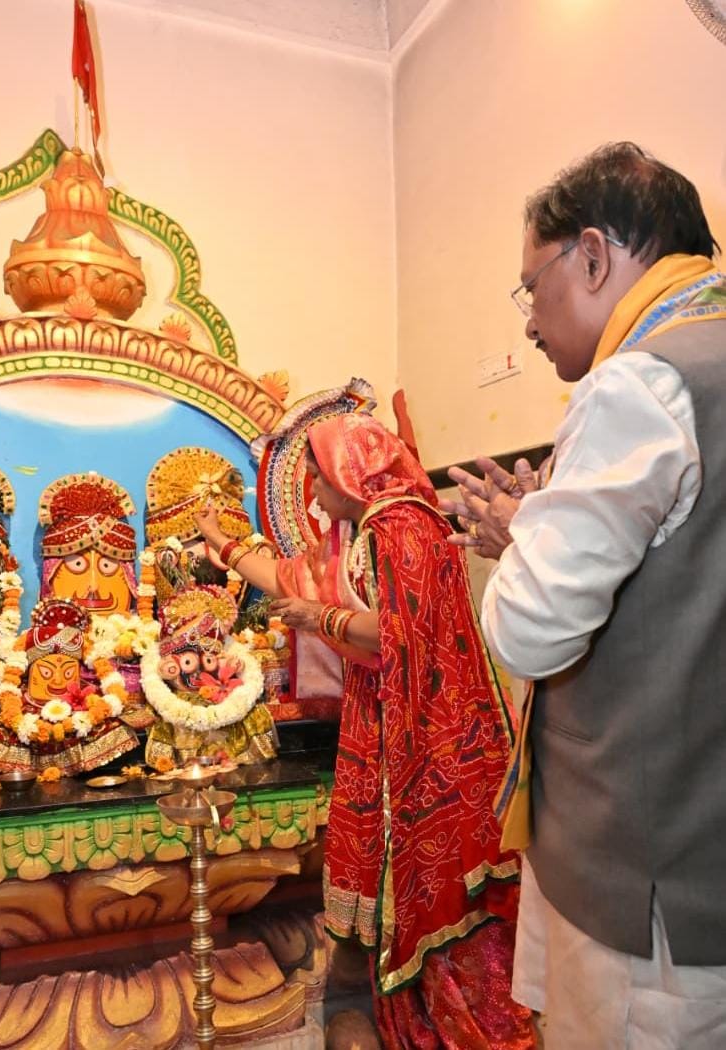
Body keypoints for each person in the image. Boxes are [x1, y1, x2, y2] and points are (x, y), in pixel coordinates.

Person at [461, 142, 726, 1049]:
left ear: (590, 256)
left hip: (646, 879)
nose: (531, 325)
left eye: (529, 288)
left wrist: (521, 536)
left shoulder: (641, 381)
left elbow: (531, 631)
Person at [195, 413, 536, 1050]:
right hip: (385, 716)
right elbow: (291, 578)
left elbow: (399, 633)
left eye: (320, 480)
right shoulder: (359, 532)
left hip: (430, 732)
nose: (314, 497)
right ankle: (403, 1017)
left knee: (436, 880)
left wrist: (317, 618)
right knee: (392, 878)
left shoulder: (400, 527)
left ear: (352, 473)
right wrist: (224, 542)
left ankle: (467, 1026)